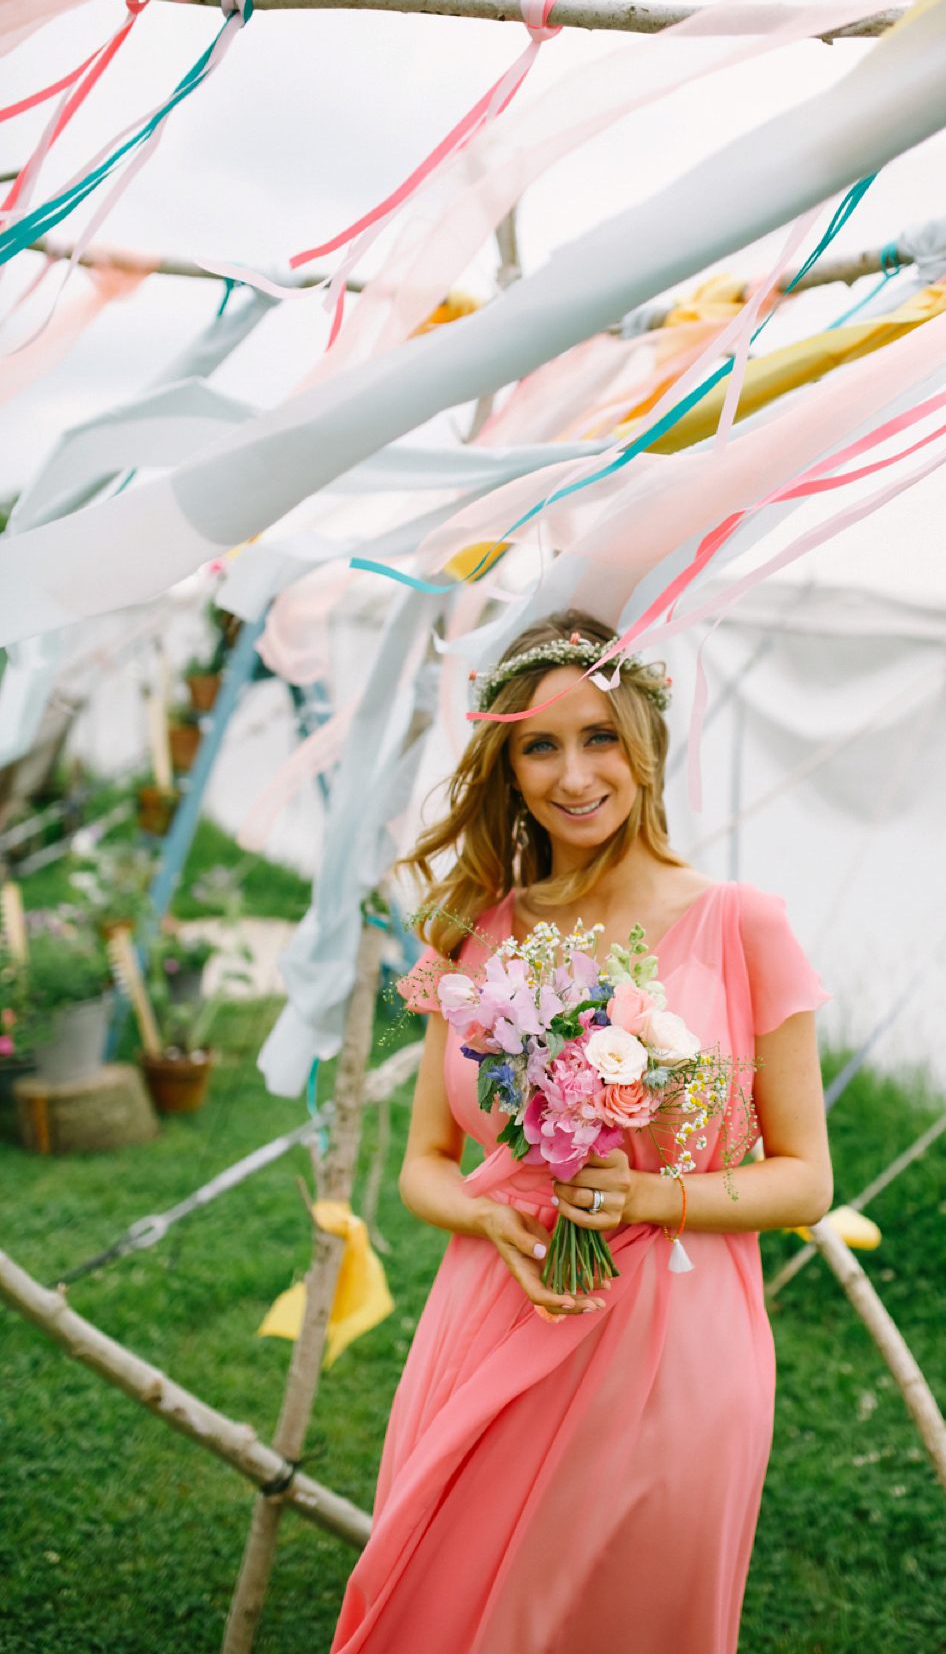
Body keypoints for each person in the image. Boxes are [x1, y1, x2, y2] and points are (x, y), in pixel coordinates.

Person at [332, 610, 833, 1654]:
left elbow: (806, 1181)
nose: (574, 773)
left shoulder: (745, 923)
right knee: (444, 1607)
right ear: (507, 768)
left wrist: (656, 1196)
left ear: (646, 742)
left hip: (675, 1336)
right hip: (496, 1311)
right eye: (539, 745)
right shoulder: (479, 925)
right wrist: (490, 1226)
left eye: (599, 735)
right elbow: (430, 1166)